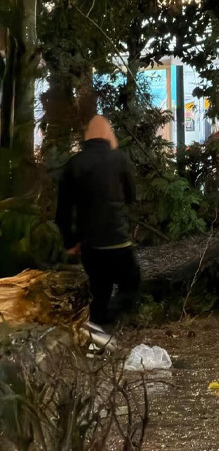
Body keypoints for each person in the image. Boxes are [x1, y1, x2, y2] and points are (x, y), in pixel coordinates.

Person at [56, 115, 140, 328]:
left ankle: (99, 335)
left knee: (99, 291)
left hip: (91, 245)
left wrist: (70, 242)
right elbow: (132, 195)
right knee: (131, 283)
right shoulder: (119, 159)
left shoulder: (74, 164)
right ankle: (112, 321)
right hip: (118, 240)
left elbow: (64, 212)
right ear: (107, 135)